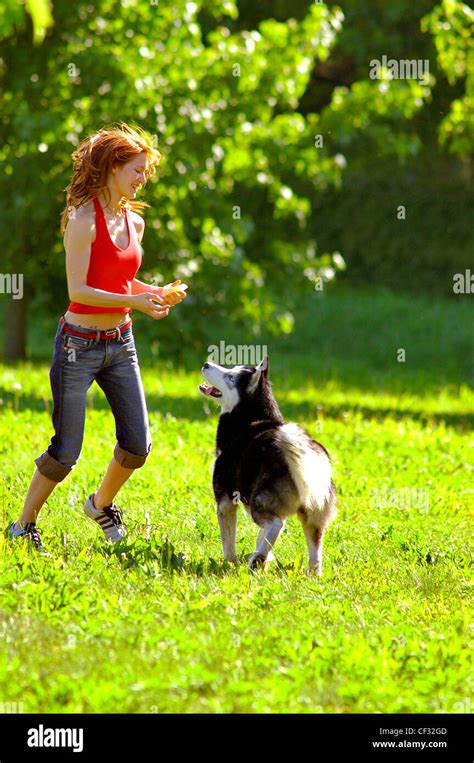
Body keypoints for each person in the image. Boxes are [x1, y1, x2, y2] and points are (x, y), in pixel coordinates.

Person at [9, 123, 187, 556]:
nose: (142, 178)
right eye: (137, 169)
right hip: (78, 344)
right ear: (112, 166)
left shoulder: (135, 221)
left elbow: (122, 278)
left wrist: (153, 293)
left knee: (138, 444)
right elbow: (80, 291)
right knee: (66, 450)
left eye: (146, 171)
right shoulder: (82, 219)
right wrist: (138, 301)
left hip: (120, 341)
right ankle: (23, 524)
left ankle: (100, 504)